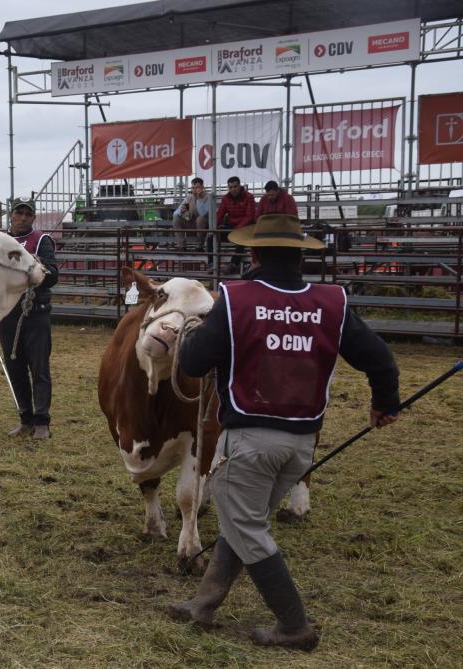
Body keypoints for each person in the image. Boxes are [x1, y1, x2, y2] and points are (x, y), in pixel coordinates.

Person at [168, 213, 400, 651]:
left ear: (253, 253)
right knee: (246, 519)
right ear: (300, 257)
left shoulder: (235, 300)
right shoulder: (333, 302)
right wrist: (385, 403)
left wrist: (197, 331)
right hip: (300, 446)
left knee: (247, 528)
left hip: (249, 440)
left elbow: (194, 364)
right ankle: (204, 603)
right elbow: (380, 359)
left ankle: (294, 624)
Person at [0, 197, 58, 439]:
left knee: (39, 368)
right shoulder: (1, 242)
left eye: (27, 214)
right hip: (7, 315)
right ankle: (25, 418)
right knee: (15, 368)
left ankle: (42, 422)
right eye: (18, 213)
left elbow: (53, 275)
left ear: (33, 218)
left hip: (35, 314)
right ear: (11, 216)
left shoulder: (41, 240)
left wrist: (36, 267)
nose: (22, 218)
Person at [211, 176, 256, 275]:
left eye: (235, 186)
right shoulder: (226, 198)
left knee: (240, 239)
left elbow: (249, 217)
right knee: (212, 237)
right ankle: (211, 264)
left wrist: (237, 229)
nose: (233, 189)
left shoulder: (249, 197)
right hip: (232, 228)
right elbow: (220, 214)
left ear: (240, 186)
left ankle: (234, 264)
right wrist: (214, 228)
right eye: (230, 187)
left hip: (245, 228)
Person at [171, 177, 214, 251]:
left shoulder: (208, 197)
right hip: (192, 223)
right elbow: (176, 212)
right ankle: (181, 245)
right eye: (193, 188)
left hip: (205, 226)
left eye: (197, 187)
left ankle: (199, 246)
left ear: (202, 187)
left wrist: (199, 198)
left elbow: (203, 213)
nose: (194, 190)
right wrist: (183, 211)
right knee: (176, 218)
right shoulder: (189, 198)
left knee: (200, 219)